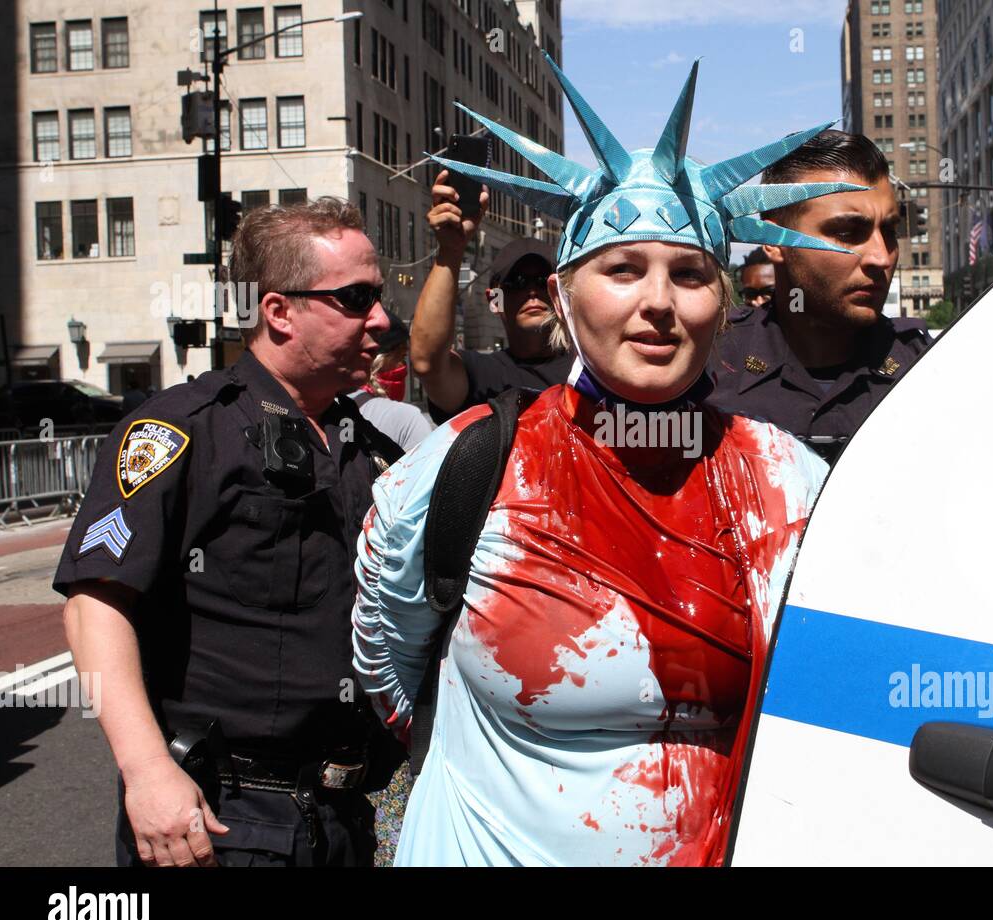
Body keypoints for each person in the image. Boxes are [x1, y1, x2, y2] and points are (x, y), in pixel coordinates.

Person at [351, 55, 865, 866]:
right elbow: (391, 662)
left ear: (722, 304)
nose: (657, 302)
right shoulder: (470, 463)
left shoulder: (789, 485)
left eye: (690, 274)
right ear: (563, 295)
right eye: (622, 269)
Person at [55, 198, 405, 867]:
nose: (382, 319)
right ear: (278, 311)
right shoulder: (181, 430)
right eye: (356, 298)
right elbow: (94, 606)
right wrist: (148, 772)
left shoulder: (374, 450)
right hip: (222, 823)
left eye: (379, 296)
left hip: (342, 820)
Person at [709, 129, 931, 465]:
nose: (881, 257)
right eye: (847, 233)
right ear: (773, 237)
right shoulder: (711, 367)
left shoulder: (929, 372)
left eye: (889, 231)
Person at [411, 182, 572, 423]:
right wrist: (451, 249)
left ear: (559, 292)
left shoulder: (591, 369)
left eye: (541, 281)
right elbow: (427, 362)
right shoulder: (481, 374)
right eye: (517, 281)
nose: (531, 291)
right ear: (494, 300)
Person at [348, 314, 433, 452]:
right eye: (401, 357)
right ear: (381, 359)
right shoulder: (408, 418)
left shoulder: (329, 403)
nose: (403, 366)